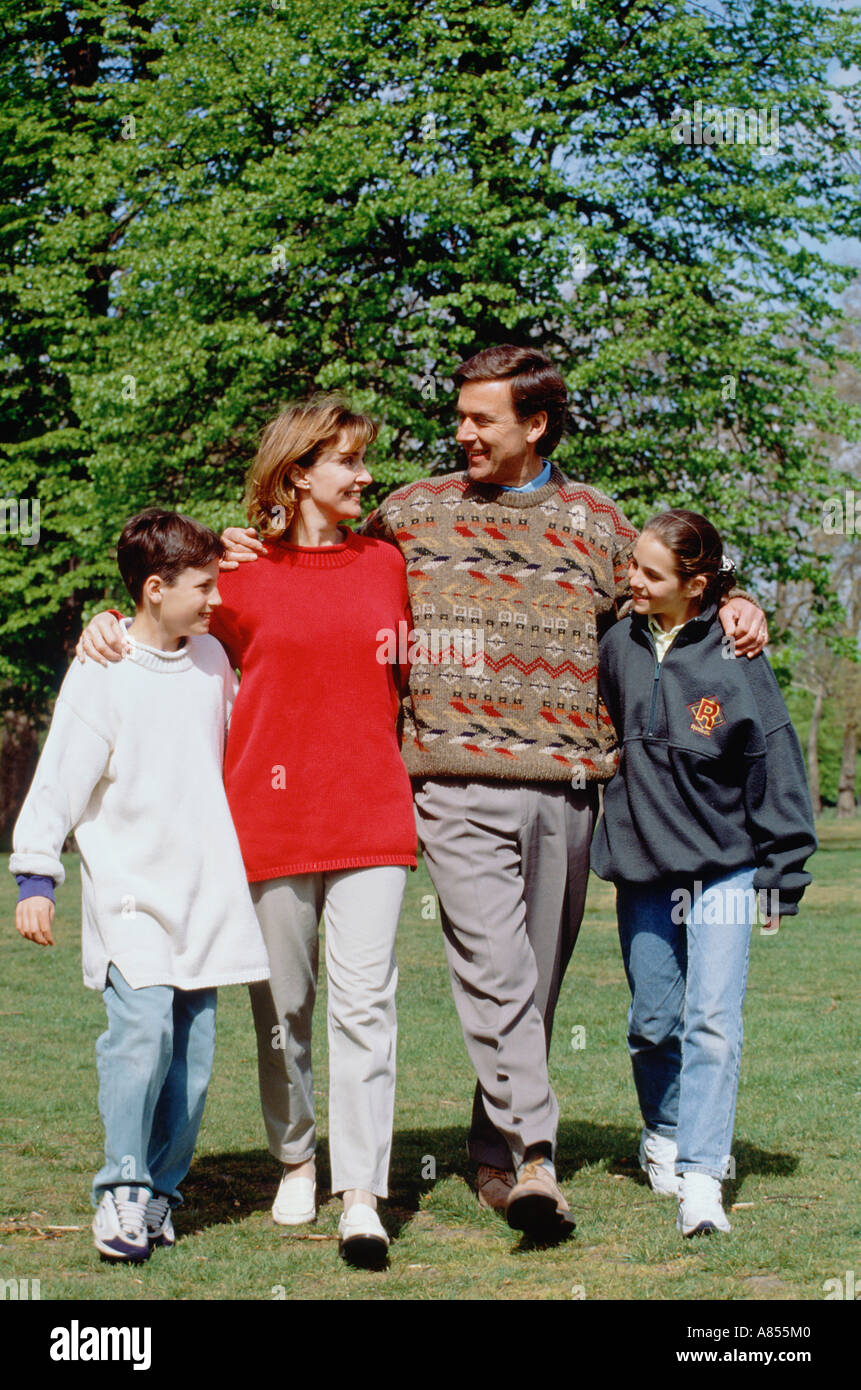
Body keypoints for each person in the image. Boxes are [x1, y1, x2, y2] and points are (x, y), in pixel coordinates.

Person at [217, 346, 770, 1242]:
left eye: (482, 419)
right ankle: (539, 1158)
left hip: (568, 787)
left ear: (536, 424)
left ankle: (491, 1153)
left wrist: (735, 603)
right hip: (450, 782)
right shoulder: (412, 513)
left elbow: (663, 594)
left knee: (534, 988)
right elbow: (309, 568)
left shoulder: (595, 520)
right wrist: (239, 542)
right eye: (460, 415)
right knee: (495, 971)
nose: (461, 432)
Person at [75, 398, 417, 1267]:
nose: (364, 476)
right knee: (284, 1011)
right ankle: (296, 1156)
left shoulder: (388, 563)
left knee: (367, 1008)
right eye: (346, 461)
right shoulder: (238, 577)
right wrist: (104, 624)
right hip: (265, 823)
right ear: (298, 472)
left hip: (373, 815)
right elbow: (162, 631)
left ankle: (362, 1192)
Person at [10, 509, 270, 1263]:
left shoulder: (214, 660)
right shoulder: (103, 668)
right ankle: (120, 1189)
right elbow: (59, 776)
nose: (216, 598)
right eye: (202, 586)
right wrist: (36, 875)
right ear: (155, 590)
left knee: (191, 1058)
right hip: (129, 895)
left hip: (206, 891)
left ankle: (160, 1192)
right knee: (141, 1034)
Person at [590, 509, 816, 1235]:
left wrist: (782, 872)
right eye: (631, 566)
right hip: (645, 868)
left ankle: (700, 1177)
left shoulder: (737, 653)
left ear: (696, 585)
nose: (632, 581)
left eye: (650, 574)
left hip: (723, 869)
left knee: (711, 1020)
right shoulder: (617, 641)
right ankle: (661, 1129)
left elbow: (773, 764)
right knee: (652, 1022)